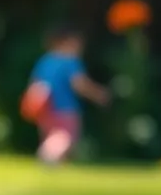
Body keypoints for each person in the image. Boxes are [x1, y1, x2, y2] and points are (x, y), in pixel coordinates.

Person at [22, 25, 111, 164]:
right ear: (64, 42)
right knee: (66, 137)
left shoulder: (45, 61)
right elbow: (80, 85)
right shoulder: (70, 62)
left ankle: (55, 164)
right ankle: (48, 153)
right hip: (66, 108)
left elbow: (34, 83)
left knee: (51, 136)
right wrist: (99, 95)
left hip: (45, 108)